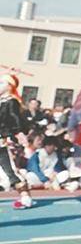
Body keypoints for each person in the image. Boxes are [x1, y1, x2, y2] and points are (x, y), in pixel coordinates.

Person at [1, 74, 34, 209]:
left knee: (11, 169)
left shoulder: (11, 102)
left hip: (5, 140)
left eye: (1, 82)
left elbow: (14, 118)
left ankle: (25, 197)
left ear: (9, 86)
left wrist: (19, 133)